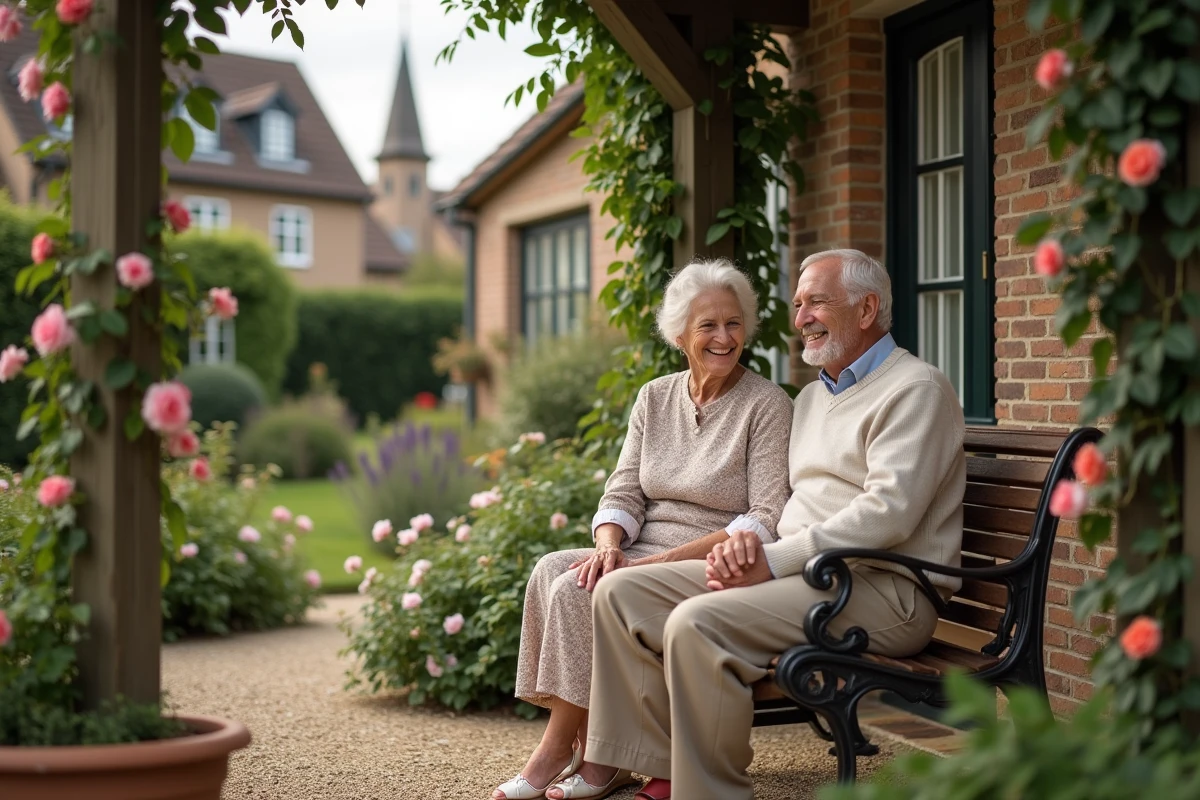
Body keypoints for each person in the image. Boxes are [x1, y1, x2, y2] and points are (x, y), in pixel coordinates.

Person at [581, 248, 967, 800]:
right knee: (621, 593)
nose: (801, 316)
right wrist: (744, 550)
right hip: (807, 574)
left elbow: (888, 514)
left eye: (817, 302)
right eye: (798, 303)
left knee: (697, 623)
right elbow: (787, 506)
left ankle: (708, 793)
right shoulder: (813, 396)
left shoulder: (916, 389)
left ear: (866, 310)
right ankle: (656, 769)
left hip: (886, 590)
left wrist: (771, 560)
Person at [491, 259, 795, 800]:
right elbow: (623, 490)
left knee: (578, 588)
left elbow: (765, 518)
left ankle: (567, 754)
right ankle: (597, 752)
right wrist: (609, 546)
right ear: (680, 334)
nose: (724, 338)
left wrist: (645, 566)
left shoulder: (767, 405)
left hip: (714, 560)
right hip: (642, 546)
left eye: (733, 323)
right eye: (708, 326)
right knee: (552, 571)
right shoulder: (655, 397)